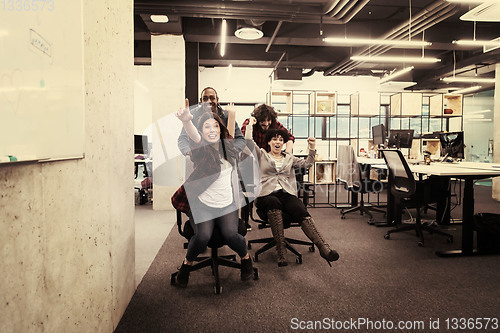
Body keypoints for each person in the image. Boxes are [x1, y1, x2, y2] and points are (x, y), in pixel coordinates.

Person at [171, 98, 254, 287]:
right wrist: (186, 121)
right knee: (202, 237)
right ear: (202, 132)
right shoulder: (201, 150)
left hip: (226, 205)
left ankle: (246, 258)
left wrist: (232, 117)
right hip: (202, 204)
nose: (211, 130)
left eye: (215, 126)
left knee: (232, 235)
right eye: (206, 127)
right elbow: (193, 136)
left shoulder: (229, 149)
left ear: (220, 129)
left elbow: (244, 142)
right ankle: (186, 265)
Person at [245, 115, 339, 267]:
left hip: (285, 194)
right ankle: (281, 252)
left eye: (281, 140)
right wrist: (250, 125)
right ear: (269, 141)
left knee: (299, 208)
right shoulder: (261, 154)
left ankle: (324, 247)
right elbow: (248, 142)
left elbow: (308, 164)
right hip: (266, 195)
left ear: (284, 143)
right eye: (274, 139)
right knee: (273, 201)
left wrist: (312, 148)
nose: (278, 142)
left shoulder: (289, 158)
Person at [178, 87, 246, 156]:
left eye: (212, 98)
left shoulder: (226, 116)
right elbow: (183, 138)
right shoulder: (192, 115)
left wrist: (231, 152)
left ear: (217, 100)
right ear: (201, 101)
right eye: (205, 99)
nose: (209, 101)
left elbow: (240, 139)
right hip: (200, 158)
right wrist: (190, 153)